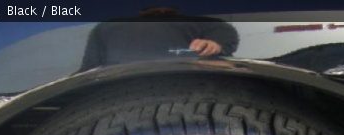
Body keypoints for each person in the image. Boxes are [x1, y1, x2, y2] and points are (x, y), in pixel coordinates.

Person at [79, 6, 239, 72]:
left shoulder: (202, 23)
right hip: (121, 95)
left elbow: (225, 36)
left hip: (195, 88)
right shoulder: (107, 28)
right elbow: (89, 71)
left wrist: (213, 45)